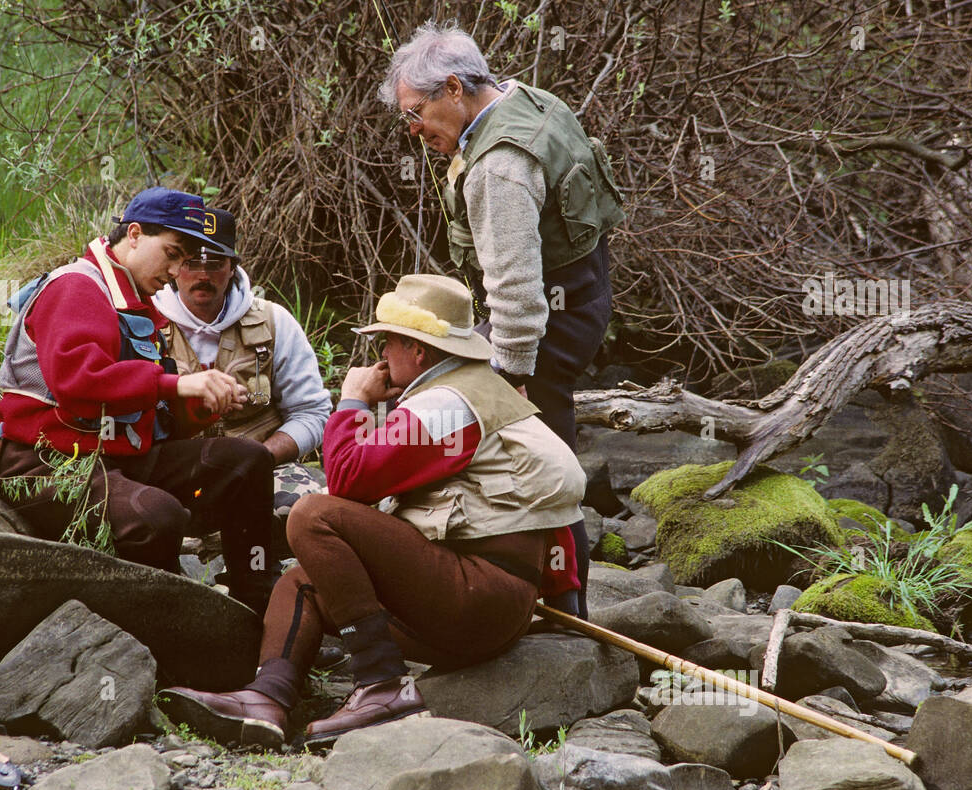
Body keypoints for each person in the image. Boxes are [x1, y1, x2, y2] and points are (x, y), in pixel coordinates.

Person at [157, 274, 586, 749]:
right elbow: (554, 516)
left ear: (417, 350)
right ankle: (267, 698)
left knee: (312, 515)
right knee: (301, 581)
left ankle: (381, 682)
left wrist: (353, 401)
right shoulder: (488, 392)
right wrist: (563, 602)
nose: (381, 355)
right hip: (486, 603)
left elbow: (345, 481)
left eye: (387, 343)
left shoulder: (446, 406)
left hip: (474, 597)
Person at [379, 22, 625, 618]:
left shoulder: (498, 168)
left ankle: (564, 611)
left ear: (455, 88)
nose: (414, 132)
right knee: (534, 443)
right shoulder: (525, 99)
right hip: (584, 297)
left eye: (417, 113)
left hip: (546, 322)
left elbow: (515, 292)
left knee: (543, 460)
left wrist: (511, 377)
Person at [0, 187, 276, 613]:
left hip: (113, 456)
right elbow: (79, 383)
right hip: (41, 463)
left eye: (185, 260)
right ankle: (167, 626)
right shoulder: (78, 288)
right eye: (173, 254)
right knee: (157, 516)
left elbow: (143, 409)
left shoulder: (134, 300)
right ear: (135, 234)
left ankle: (256, 606)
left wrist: (200, 405)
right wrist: (176, 385)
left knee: (247, 461)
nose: (177, 271)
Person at [151, 206, 331, 527]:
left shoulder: (275, 322)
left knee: (315, 505)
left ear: (233, 267)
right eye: (192, 262)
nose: (203, 276)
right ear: (175, 266)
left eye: (215, 264)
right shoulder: (143, 323)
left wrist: (260, 457)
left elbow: (312, 413)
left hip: (264, 470)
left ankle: (259, 571)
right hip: (172, 474)